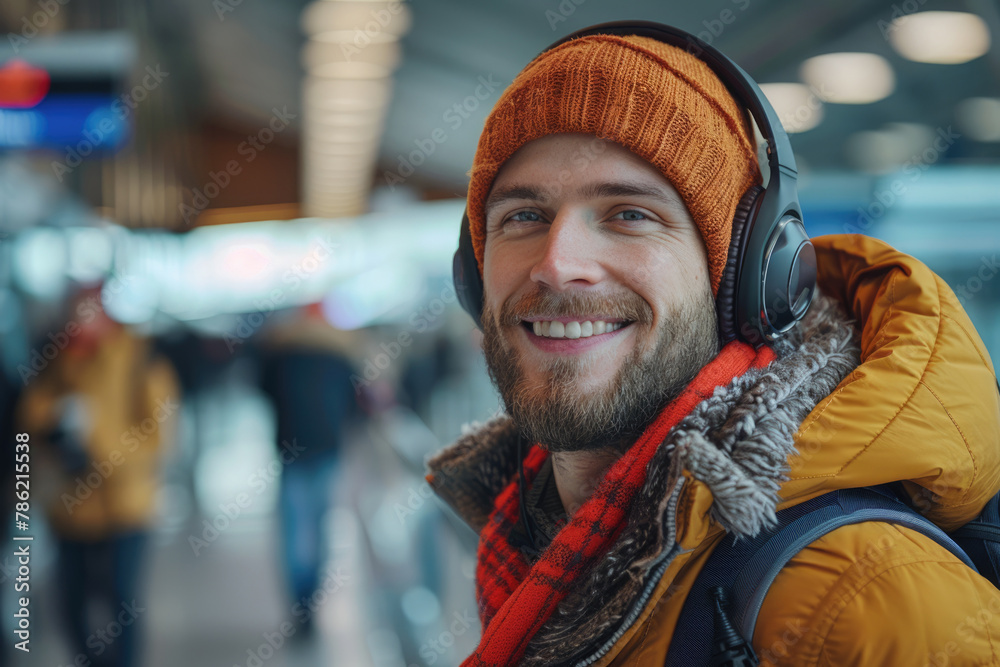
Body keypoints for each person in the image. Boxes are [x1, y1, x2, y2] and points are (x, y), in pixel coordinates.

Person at [425, 23, 1000, 666]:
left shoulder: (862, 596)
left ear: (748, 275)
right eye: (523, 217)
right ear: (474, 277)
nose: (558, 264)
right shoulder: (527, 534)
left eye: (629, 213)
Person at [18, 286, 179, 667]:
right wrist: (53, 426)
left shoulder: (142, 356)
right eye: (72, 313)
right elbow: (28, 415)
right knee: (70, 602)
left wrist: (99, 450)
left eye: (85, 312)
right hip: (70, 507)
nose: (77, 322)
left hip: (126, 506)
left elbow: (158, 436)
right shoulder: (54, 358)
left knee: (120, 600)